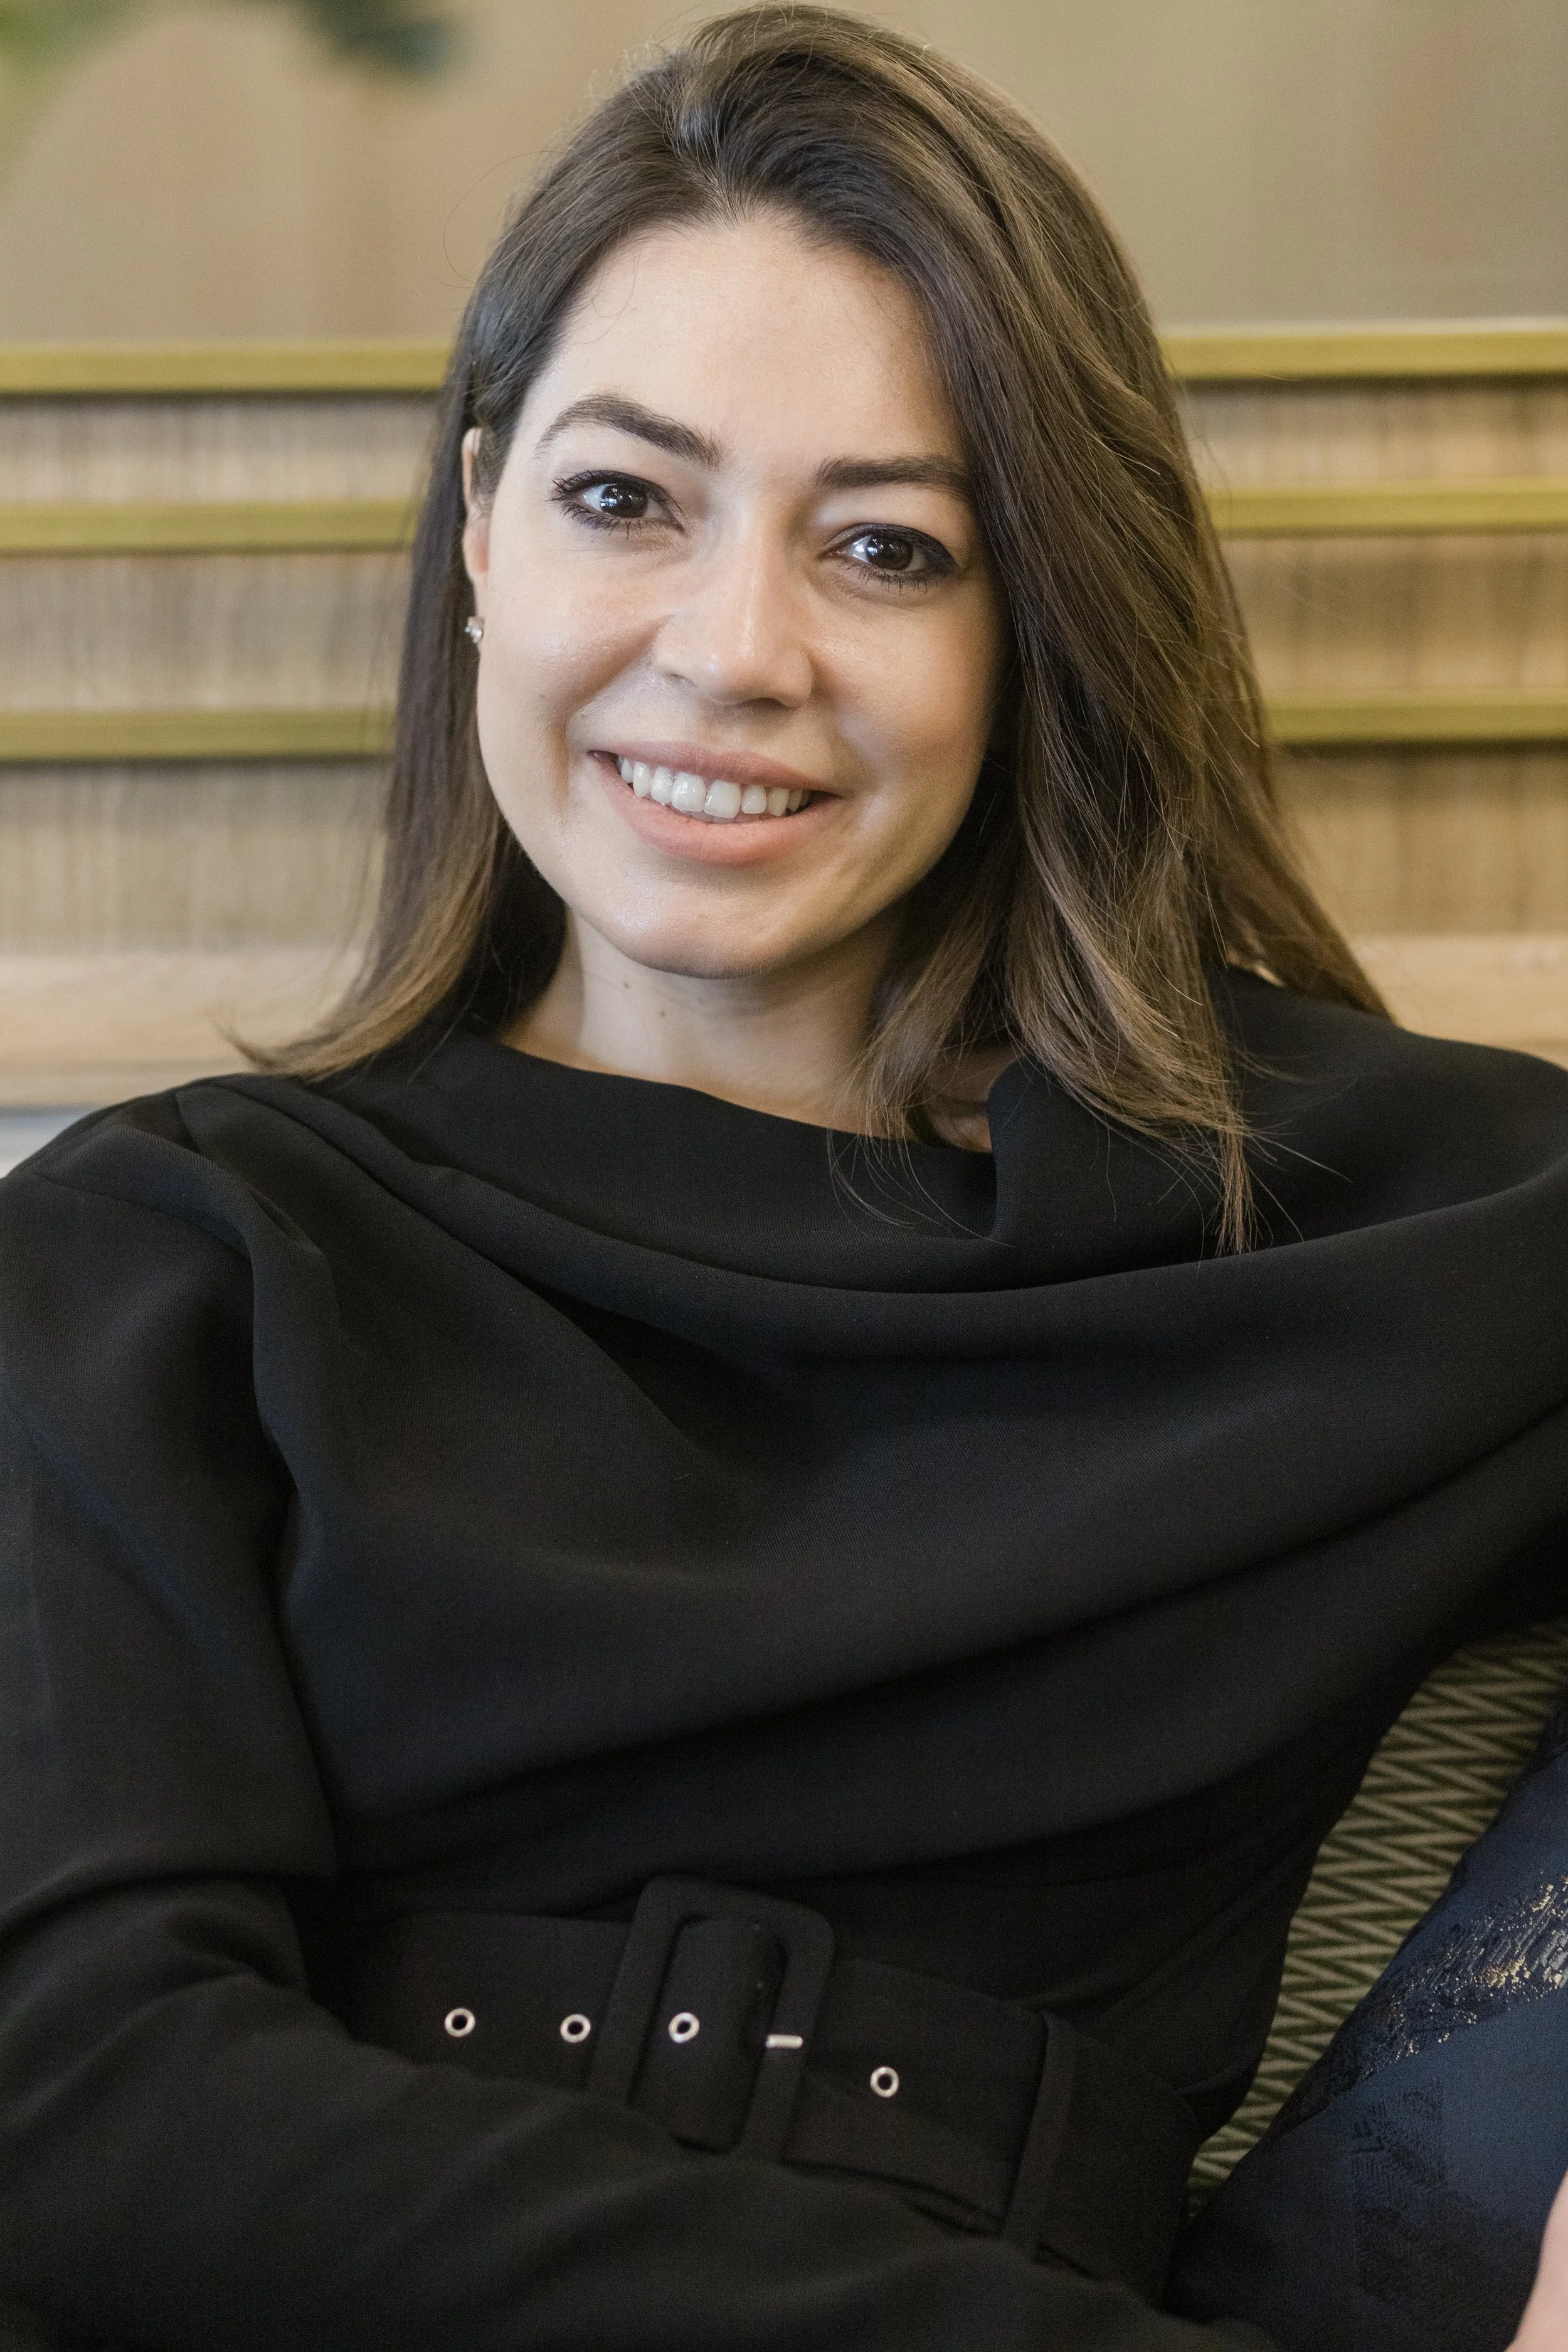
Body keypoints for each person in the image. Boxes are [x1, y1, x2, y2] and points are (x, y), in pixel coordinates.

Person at [1, 9, 1565, 2348]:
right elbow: (79, 2105)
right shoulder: (161, 1259)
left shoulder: (1377, 1224)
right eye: (624, 498)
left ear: (1038, 626)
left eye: (886, 545)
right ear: (474, 536)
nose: (732, 653)